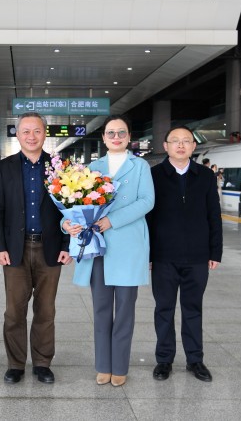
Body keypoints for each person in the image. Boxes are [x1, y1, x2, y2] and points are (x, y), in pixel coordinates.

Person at [63, 116, 154, 387]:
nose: (116, 137)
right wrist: (66, 223)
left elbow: (147, 201)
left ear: (129, 137)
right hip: (98, 247)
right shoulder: (93, 167)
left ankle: (120, 366)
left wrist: (112, 220)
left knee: (125, 309)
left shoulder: (140, 166)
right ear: (103, 138)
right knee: (101, 309)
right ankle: (103, 365)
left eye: (121, 133)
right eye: (111, 133)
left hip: (129, 245)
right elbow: (74, 203)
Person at [0, 112, 71, 385]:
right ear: (17, 134)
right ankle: (15, 364)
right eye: (25, 131)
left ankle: (42, 363)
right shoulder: (5, 167)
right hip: (16, 248)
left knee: (46, 310)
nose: (31, 136)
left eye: (37, 131)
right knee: (14, 311)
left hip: (50, 247)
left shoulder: (59, 166)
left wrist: (67, 245)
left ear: (44, 134)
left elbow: (70, 210)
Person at [147, 125, 223, 383]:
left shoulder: (205, 176)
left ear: (193, 146)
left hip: (198, 256)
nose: (181, 145)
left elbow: (214, 215)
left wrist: (215, 251)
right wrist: (148, 254)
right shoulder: (154, 175)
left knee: (193, 308)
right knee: (164, 309)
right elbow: (147, 218)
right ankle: (164, 360)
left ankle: (195, 359)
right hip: (163, 256)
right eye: (175, 141)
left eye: (186, 141)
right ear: (165, 146)